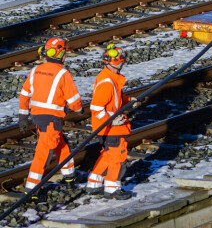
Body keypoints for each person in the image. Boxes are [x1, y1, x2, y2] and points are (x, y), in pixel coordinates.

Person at [18, 37, 82, 193]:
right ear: (60, 54)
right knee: (44, 153)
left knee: (62, 145)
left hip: (38, 117)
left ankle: (69, 177)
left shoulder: (35, 70)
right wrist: (79, 109)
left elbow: (24, 95)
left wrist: (23, 117)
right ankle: (32, 190)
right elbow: (73, 99)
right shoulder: (63, 73)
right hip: (52, 119)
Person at [86, 44, 133, 199]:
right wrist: (110, 122)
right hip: (112, 127)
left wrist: (127, 101)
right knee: (117, 157)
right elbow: (96, 107)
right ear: (119, 63)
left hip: (106, 127)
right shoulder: (107, 83)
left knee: (107, 155)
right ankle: (112, 188)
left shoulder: (109, 78)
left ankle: (94, 183)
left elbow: (113, 100)